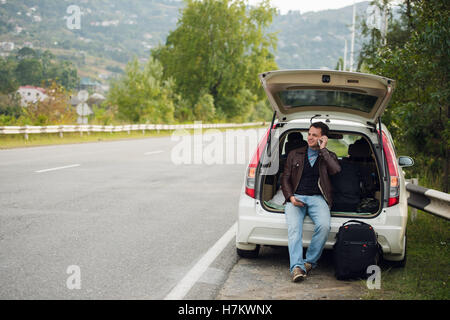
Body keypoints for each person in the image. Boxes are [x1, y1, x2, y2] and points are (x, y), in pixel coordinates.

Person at [281, 121, 341, 282]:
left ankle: (309, 262)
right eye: (309, 134)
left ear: (323, 138)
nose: (310, 137)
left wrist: (323, 150)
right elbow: (285, 178)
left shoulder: (329, 155)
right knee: (294, 229)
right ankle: (297, 268)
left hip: (317, 198)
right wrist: (291, 197)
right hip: (296, 197)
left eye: (315, 135)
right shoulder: (295, 154)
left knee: (324, 226)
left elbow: (335, 170)